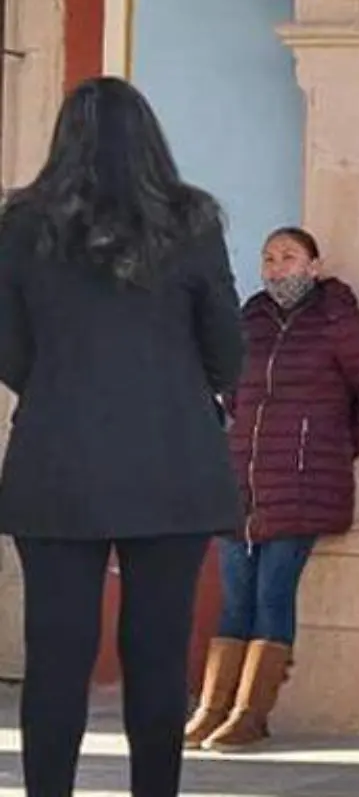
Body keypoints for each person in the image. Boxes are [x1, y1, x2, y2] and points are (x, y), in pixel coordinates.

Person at [0, 76, 245, 797]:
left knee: (55, 656)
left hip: (55, 461)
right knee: (159, 656)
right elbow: (227, 349)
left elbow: (8, 348)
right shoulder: (193, 221)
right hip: (172, 459)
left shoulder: (19, 226)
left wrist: (60, 389)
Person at [183, 226, 359, 751]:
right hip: (240, 487)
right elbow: (232, 396)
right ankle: (212, 709)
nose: (278, 267)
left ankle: (251, 715)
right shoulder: (249, 320)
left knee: (271, 597)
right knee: (234, 601)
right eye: (270, 258)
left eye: (289, 257)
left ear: (314, 266)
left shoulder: (341, 322)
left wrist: (326, 451)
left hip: (303, 488)